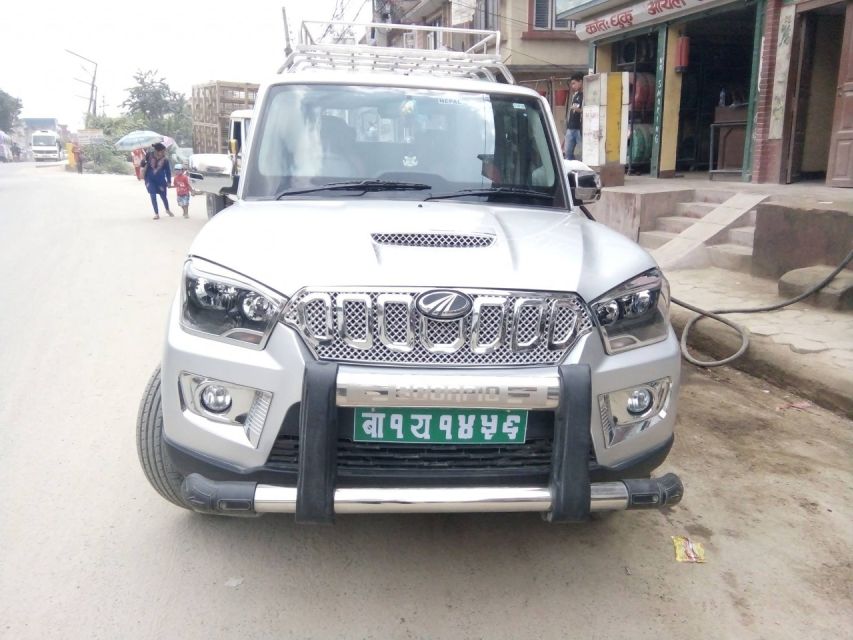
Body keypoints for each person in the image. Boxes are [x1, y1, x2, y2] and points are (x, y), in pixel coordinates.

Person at [143, 142, 173, 220]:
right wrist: (143, 162)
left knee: (163, 196)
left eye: (164, 151)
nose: (164, 153)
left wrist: (169, 181)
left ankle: (167, 209)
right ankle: (156, 213)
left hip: (160, 180)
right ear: (157, 151)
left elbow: (168, 171)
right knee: (153, 195)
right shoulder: (149, 155)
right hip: (150, 179)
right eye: (162, 151)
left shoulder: (165, 160)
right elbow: (142, 164)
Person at [564, 73, 584, 161]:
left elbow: (588, 111)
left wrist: (579, 110)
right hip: (570, 128)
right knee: (568, 152)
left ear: (581, 82)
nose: (572, 86)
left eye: (574, 83)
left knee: (583, 152)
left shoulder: (586, 95)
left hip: (580, 129)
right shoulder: (575, 95)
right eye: (571, 84)